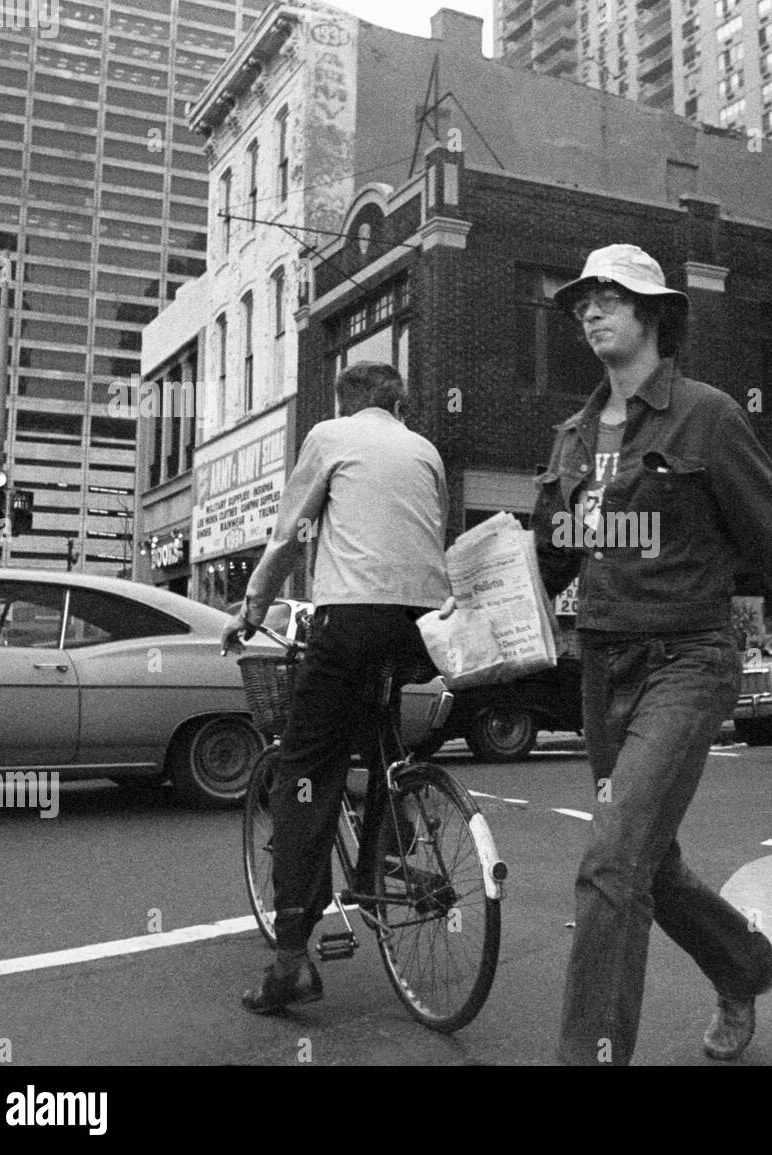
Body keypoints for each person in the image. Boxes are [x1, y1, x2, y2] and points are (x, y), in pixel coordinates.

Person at [533, 243, 772, 1065]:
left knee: (611, 858)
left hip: (690, 658)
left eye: (608, 297)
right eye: (582, 303)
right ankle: (743, 963)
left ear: (653, 313)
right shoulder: (572, 435)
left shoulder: (706, 414)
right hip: (603, 663)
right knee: (649, 861)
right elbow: (557, 554)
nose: (590, 311)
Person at [221, 361, 450, 1014]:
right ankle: (393, 842)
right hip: (421, 628)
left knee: (305, 772)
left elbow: (291, 534)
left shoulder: (329, 436)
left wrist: (252, 610)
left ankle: (292, 958)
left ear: (346, 402)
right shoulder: (424, 450)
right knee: (379, 739)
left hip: (349, 619)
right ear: (399, 405)